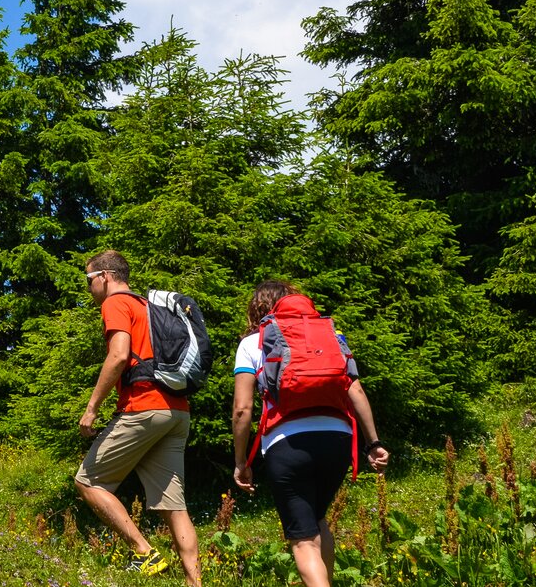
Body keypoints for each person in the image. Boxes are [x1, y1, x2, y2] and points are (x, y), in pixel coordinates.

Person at [230, 280, 390, 587]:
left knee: (302, 539)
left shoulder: (253, 343)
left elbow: (242, 409)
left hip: (287, 445)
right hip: (338, 441)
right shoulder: (332, 335)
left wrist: (241, 461)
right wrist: (374, 443)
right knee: (317, 521)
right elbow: (354, 388)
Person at [74, 250, 202, 586]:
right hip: (177, 411)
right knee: (174, 505)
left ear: (105, 276)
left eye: (89, 280)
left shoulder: (116, 303)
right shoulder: (149, 306)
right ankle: (195, 583)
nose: (89, 287)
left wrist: (92, 407)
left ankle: (144, 553)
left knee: (88, 482)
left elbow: (118, 356)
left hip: (144, 407)